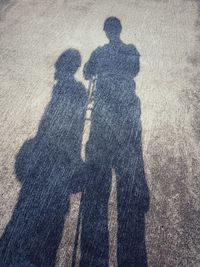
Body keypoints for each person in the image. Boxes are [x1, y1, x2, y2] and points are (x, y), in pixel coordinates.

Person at [0, 49, 88, 267]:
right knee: (48, 217)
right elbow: (73, 130)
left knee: (33, 213)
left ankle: (22, 255)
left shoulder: (66, 91)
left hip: (51, 158)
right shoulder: (75, 91)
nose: (56, 71)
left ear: (63, 67)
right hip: (59, 160)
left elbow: (51, 127)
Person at [80, 17, 149, 266]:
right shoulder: (131, 51)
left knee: (99, 172)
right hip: (127, 115)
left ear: (106, 32)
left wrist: (101, 69)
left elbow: (87, 73)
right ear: (119, 30)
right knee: (129, 156)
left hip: (104, 116)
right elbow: (135, 70)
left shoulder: (98, 53)